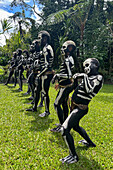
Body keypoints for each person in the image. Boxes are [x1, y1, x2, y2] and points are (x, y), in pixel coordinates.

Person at [59, 58, 103, 164]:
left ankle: (73, 156)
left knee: (64, 130)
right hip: (75, 106)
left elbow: (89, 90)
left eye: (88, 65)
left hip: (81, 108)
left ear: (96, 65)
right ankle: (90, 143)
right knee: (75, 126)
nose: (85, 68)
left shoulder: (98, 77)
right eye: (84, 66)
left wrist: (83, 76)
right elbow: (76, 88)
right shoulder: (87, 78)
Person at [26, 31, 54, 117]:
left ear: (45, 39)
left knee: (45, 92)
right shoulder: (45, 48)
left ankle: (47, 111)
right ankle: (34, 107)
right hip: (43, 73)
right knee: (36, 90)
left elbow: (47, 65)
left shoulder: (46, 48)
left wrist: (39, 74)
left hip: (46, 74)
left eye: (39, 38)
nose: (39, 40)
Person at [50, 40, 76, 132]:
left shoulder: (68, 59)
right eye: (68, 49)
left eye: (70, 49)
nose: (68, 51)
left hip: (66, 86)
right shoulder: (68, 59)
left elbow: (69, 75)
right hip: (64, 85)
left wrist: (57, 75)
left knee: (56, 104)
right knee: (64, 104)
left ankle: (62, 126)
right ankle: (65, 123)